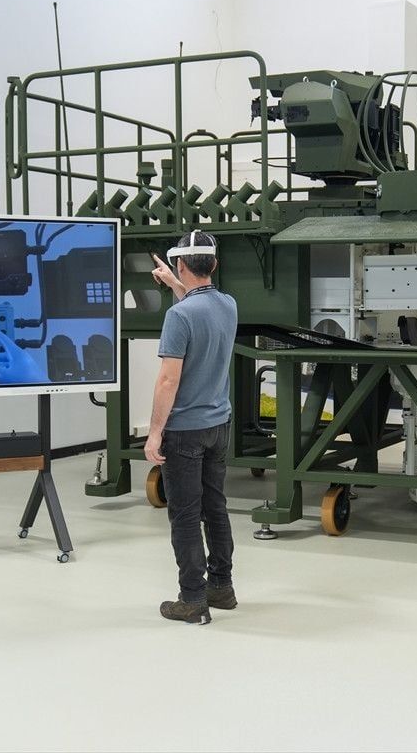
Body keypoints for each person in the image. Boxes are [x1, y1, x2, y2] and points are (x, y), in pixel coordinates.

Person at [144, 231, 238, 625]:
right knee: (215, 508)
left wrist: (154, 433)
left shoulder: (178, 316)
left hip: (183, 431)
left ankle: (193, 600)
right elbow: (199, 307)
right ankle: (222, 588)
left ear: (181, 263)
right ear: (213, 264)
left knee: (184, 515)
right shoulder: (227, 305)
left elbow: (168, 380)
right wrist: (174, 284)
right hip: (218, 425)